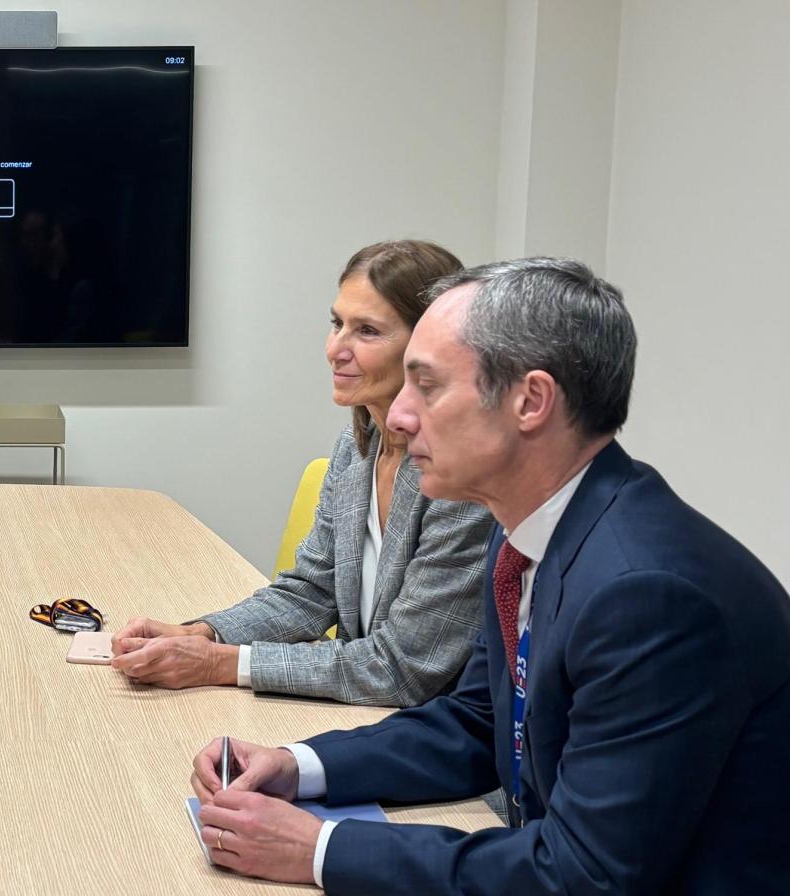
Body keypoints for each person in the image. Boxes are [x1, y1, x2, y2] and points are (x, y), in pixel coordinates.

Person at [191, 259, 790, 893]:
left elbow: (580, 878)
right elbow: (477, 722)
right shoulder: (529, 530)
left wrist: (320, 849)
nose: (396, 417)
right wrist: (299, 766)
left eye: (427, 386)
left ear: (530, 401)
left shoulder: (647, 596)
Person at [112, 241, 494, 706]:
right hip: (362, 719)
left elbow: (401, 671)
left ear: (428, 348)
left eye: (367, 331)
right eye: (337, 324)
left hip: (437, 745)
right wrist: (202, 633)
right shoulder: (355, 450)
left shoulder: (463, 480)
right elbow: (311, 591)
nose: (336, 349)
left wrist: (222, 663)